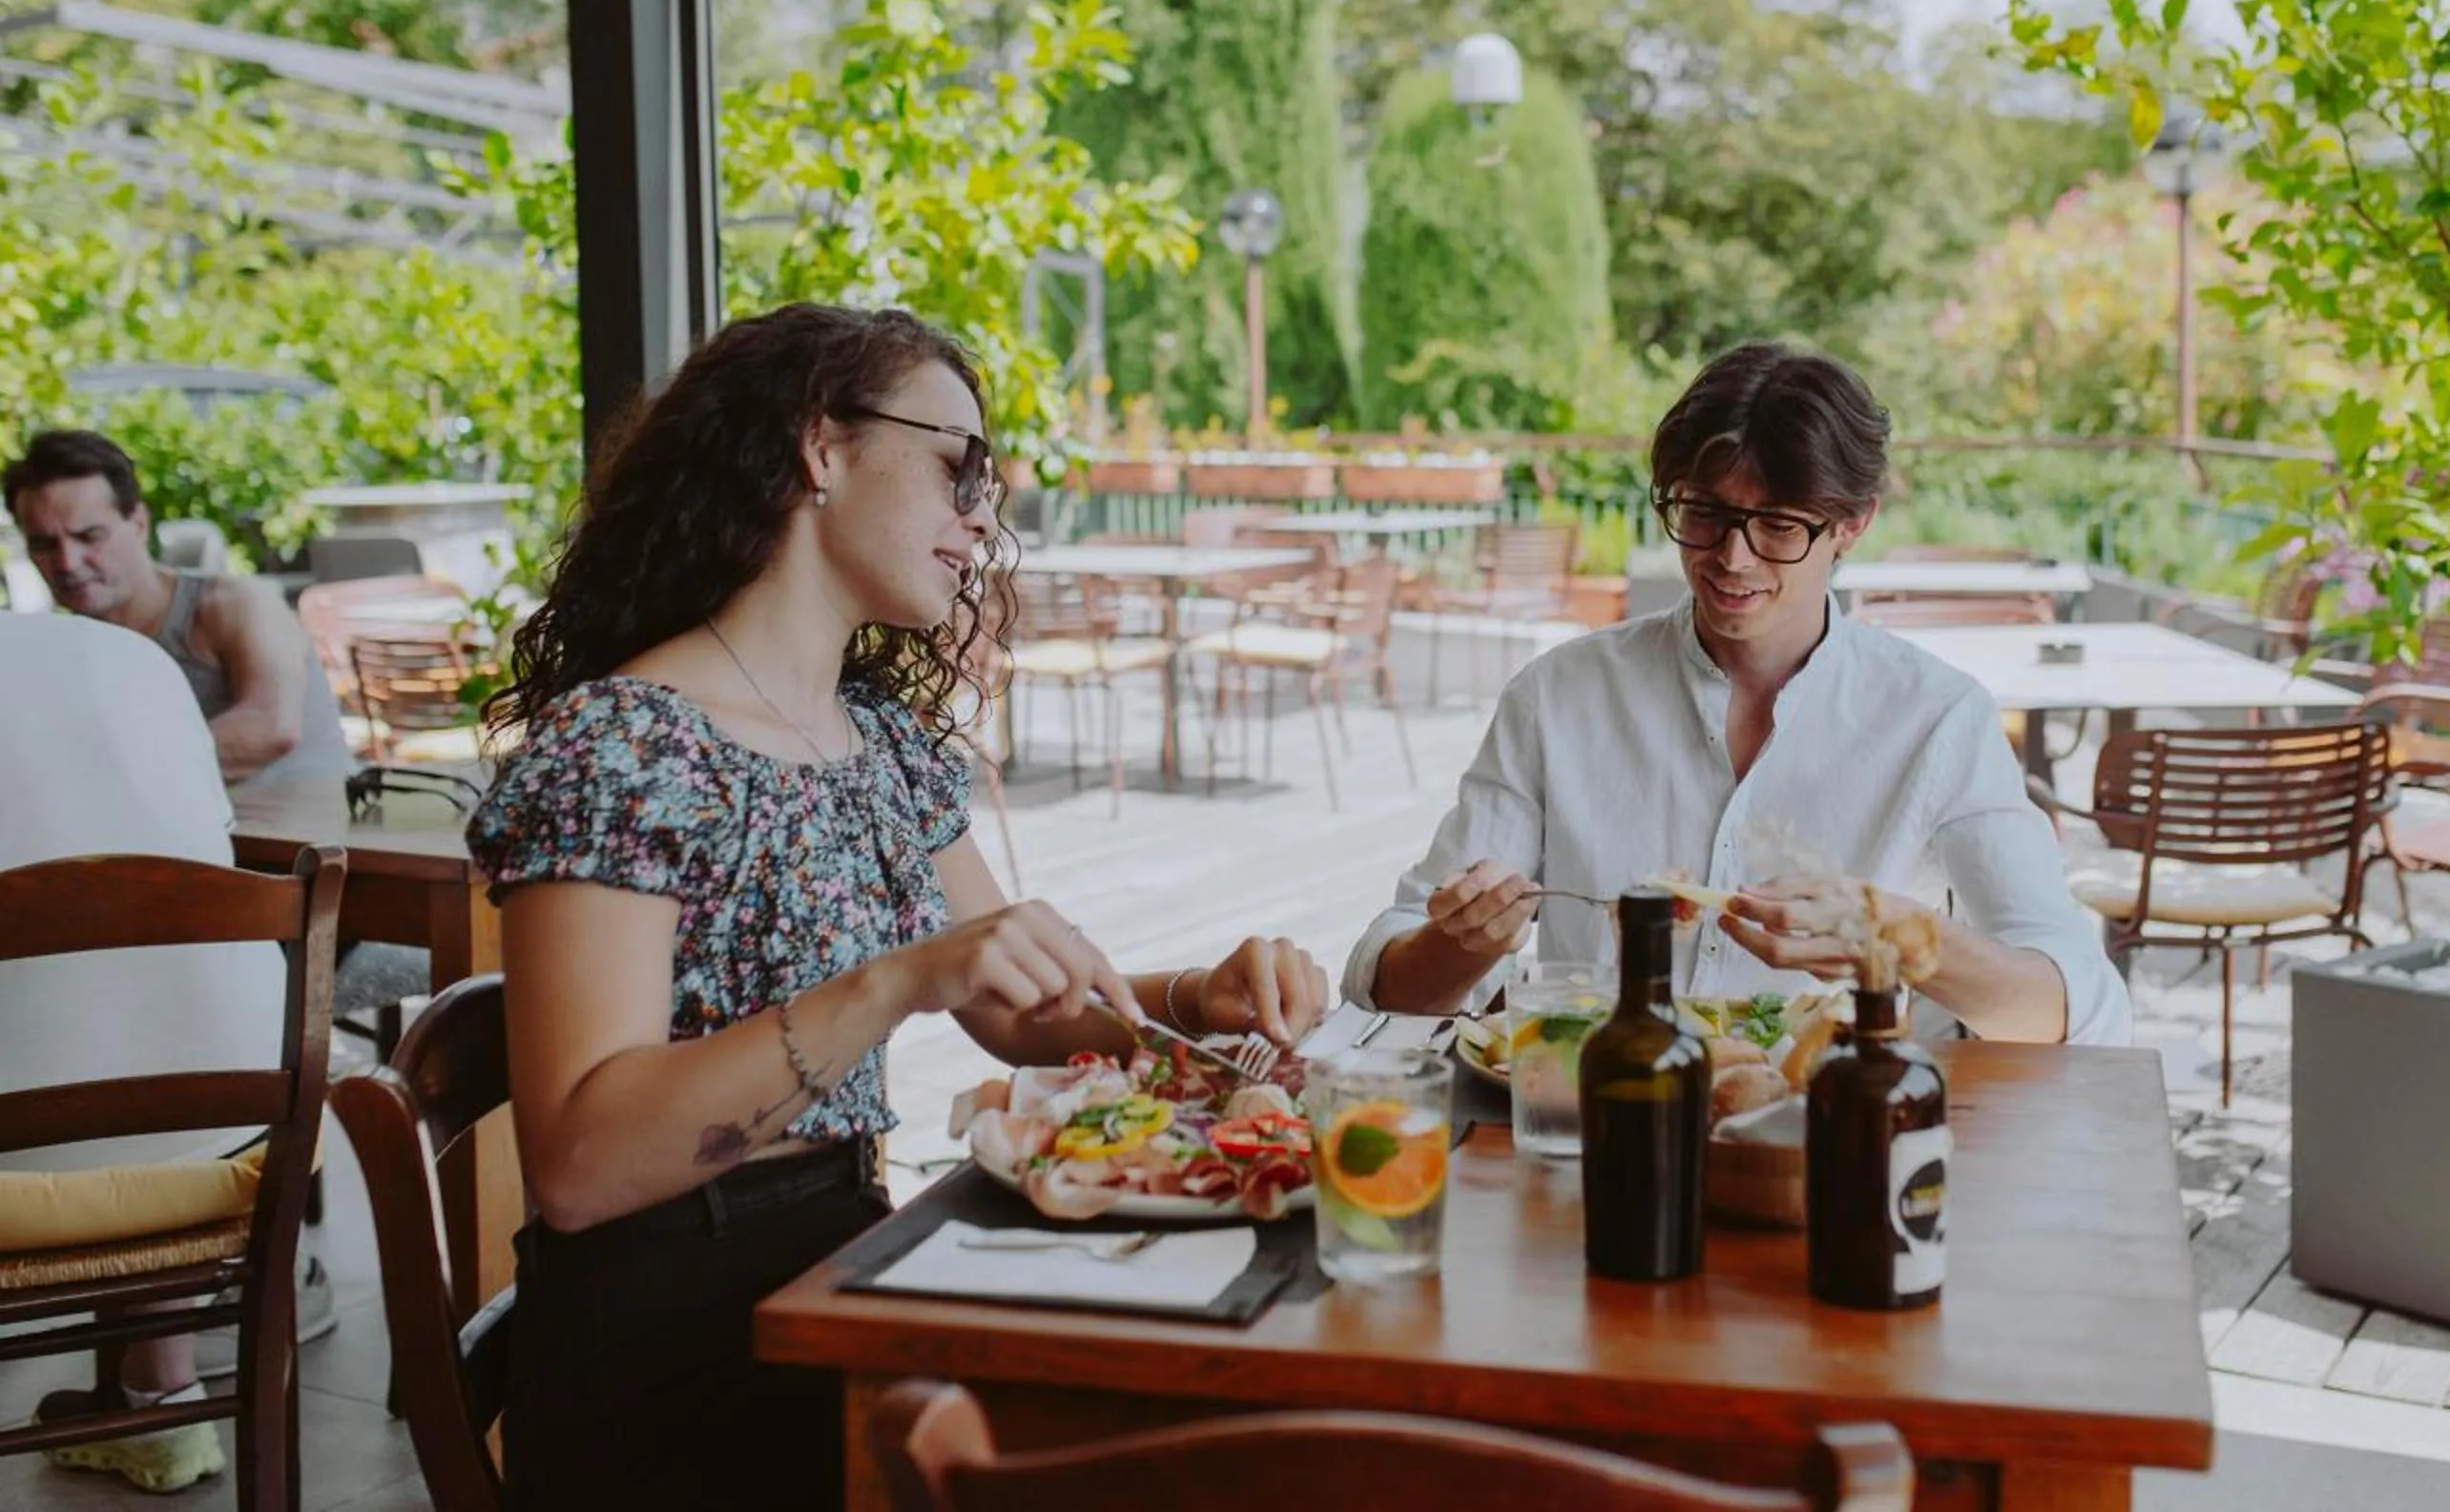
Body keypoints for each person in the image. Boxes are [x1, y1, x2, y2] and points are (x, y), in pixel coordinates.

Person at [471, 303, 1327, 1512]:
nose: (983, 513)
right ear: (821, 448)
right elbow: (580, 1161)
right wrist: (896, 978)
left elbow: (1016, 1011)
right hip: (669, 1352)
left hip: (844, 1266)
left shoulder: (875, 743)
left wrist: (1194, 997)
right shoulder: (622, 745)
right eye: (955, 466)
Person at [1346, 342, 2130, 1047]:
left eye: (1780, 528)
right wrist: (1465, 944)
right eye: (1705, 515)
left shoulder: (1936, 717)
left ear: (1853, 524)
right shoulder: (1560, 696)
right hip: (1595, 1129)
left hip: (1826, 1140)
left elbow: (2077, 1009)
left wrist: (1898, 934)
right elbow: (1390, 981)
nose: (1733, 558)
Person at [0, 615, 276, 1493]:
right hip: (226, 1142)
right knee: (138, 1009)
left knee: (73, 1031)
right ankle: (161, 1396)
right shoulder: (127, 655)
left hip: (25, 1175)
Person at [4, 429, 353, 791]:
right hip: (174, 842)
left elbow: (270, 728)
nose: (67, 562)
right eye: (44, 544)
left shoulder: (235, 603)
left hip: (305, 838)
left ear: (139, 523)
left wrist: (91, 768)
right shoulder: (68, 647)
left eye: (89, 536)